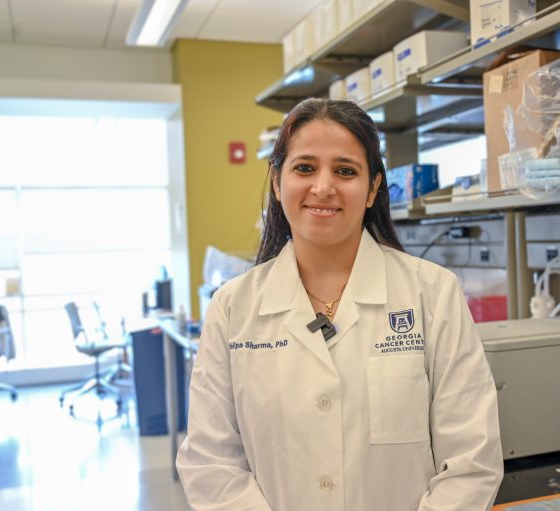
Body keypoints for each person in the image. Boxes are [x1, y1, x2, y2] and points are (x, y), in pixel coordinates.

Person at [176, 98, 503, 510]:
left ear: (372, 189)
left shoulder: (432, 293)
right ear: (277, 183)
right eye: (305, 168)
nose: (324, 187)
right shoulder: (233, 308)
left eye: (346, 171)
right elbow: (210, 463)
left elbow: (472, 460)